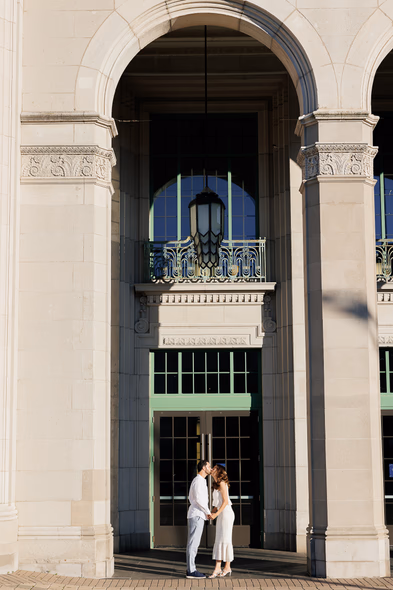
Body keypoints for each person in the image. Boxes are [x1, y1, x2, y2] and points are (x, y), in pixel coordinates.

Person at [186, 459, 212, 579]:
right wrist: (208, 512)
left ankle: (191, 569)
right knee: (193, 543)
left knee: (194, 543)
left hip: (198, 515)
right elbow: (198, 499)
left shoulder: (201, 481)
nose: (210, 468)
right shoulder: (198, 481)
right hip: (197, 515)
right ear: (203, 468)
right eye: (208, 466)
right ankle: (191, 570)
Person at [208, 464, 235, 578]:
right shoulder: (215, 485)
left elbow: (225, 502)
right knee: (220, 539)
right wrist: (211, 513)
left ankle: (220, 568)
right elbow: (216, 504)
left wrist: (216, 514)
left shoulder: (222, 483)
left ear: (219, 471)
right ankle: (224, 567)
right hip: (221, 514)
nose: (212, 469)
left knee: (225, 539)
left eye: (214, 468)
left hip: (226, 514)